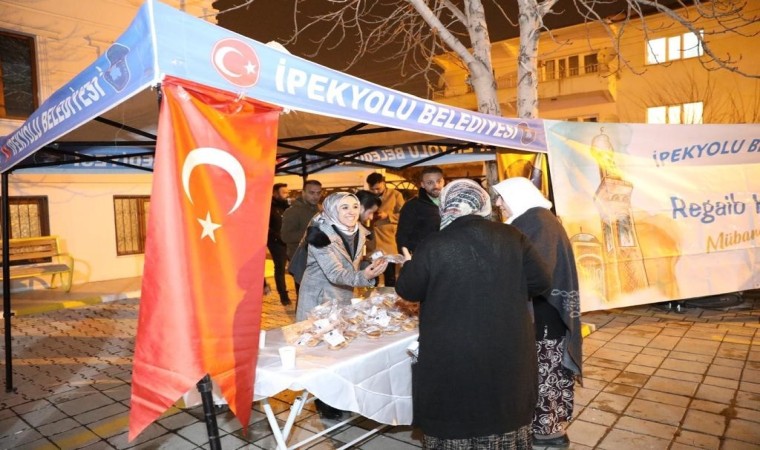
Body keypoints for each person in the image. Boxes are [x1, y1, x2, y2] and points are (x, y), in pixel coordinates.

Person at [395, 179, 551, 449]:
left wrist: (408, 265)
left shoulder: (435, 243)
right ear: (483, 204)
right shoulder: (512, 236)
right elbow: (541, 281)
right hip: (507, 340)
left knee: (456, 406)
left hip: (453, 347)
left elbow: (409, 289)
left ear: (446, 206)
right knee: (505, 404)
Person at [493, 177, 582, 449]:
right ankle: (545, 426)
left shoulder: (537, 222)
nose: (498, 203)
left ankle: (549, 432)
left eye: (502, 197)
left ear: (517, 196)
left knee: (545, 372)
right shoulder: (533, 219)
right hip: (543, 310)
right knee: (543, 370)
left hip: (544, 312)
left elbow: (536, 272)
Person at [296, 192, 388, 322]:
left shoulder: (358, 231)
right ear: (333, 209)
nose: (352, 212)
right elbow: (335, 273)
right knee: (318, 332)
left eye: (355, 206)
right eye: (345, 207)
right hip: (320, 298)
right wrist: (365, 276)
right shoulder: (319, 236)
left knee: (339, 331)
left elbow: (351, 262)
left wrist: (372, 261)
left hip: (344, 294)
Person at [281, 179, 322, 296]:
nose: (316, 196)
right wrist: (310, 234)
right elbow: (285, 236)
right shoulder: (292, 211)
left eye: (318, 193)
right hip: (300, 261)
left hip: (318, 259)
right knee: (304, 297)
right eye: (312, 193)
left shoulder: (320, 209)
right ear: (303, 192)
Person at [366, 172, 405, 286]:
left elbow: (404, 215)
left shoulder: (395, 194)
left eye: (378, 188)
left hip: (388, 240)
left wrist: (387, 216)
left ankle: (390, 295)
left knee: (390, 275)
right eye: (372, 189)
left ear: (384, 183)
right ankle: (372, 295)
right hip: (372, 241)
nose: (375, 192)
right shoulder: (367, 196)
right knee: (372, 275)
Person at [396, 166, 445, 254]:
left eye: (439, 181)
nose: (436, 186)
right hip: (424, 256)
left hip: (449, 254)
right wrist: (406, 257)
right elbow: (402, 236)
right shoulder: (412, 206)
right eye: (430, 182)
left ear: (443, 181)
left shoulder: (452, 202)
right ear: (422, 184)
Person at [268, 183, 291, 306]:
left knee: (296, 266)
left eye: (287, 192)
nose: (286, 195)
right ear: (275, 193)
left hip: (289, 241)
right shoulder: (269, 207)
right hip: (276, 242)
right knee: (280, 268)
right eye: (284, 192)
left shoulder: (287, 206)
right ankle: (283, 295)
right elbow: (267, 227)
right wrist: (279, 237)